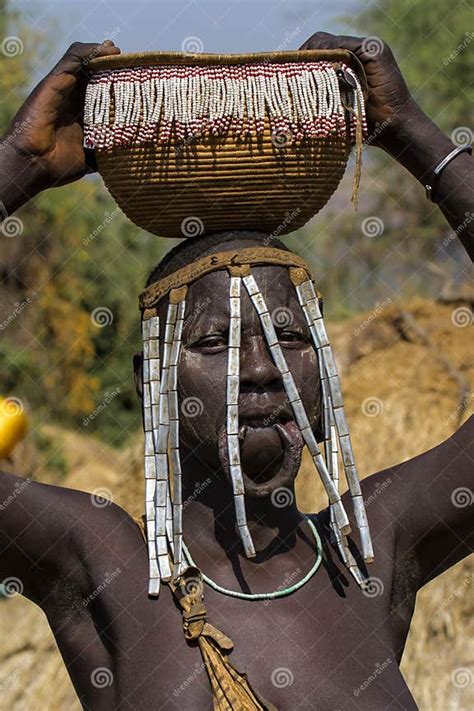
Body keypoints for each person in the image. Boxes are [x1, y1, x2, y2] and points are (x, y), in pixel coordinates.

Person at [0, 32, 472, 711]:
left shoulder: (367, 553)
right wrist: (21, 162)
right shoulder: (103, 561)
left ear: (326, 373)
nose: (260, 370)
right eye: (215, 342)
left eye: (287, 338)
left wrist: (413, 135)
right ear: (149, 382)